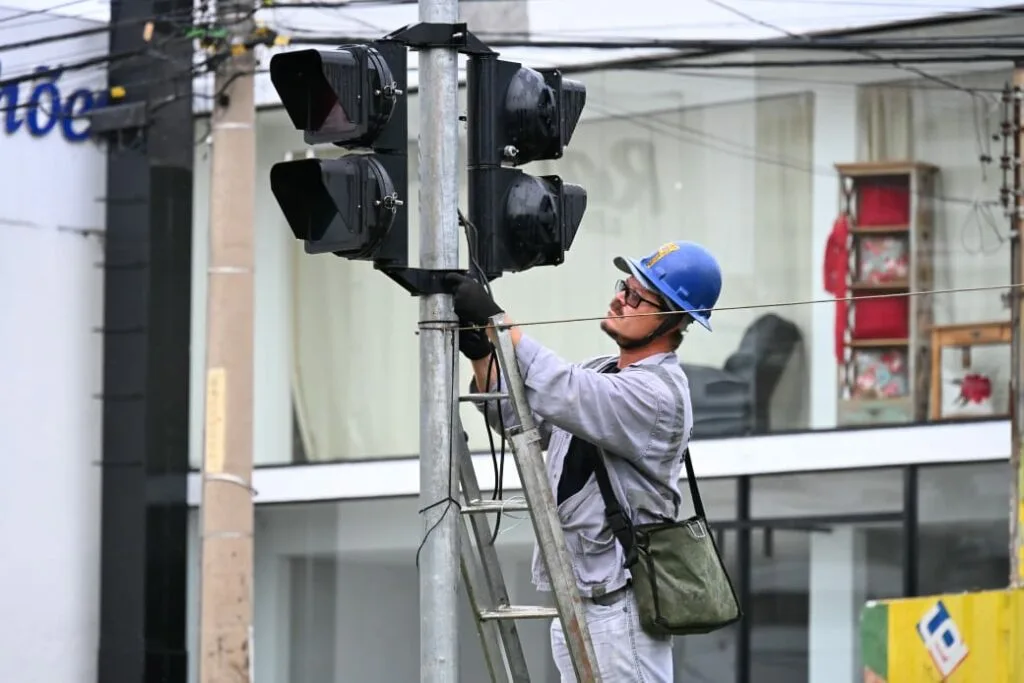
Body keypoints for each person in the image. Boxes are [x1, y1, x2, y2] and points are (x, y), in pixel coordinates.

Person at [445, 240, 724, 683]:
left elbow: (564, 389)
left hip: (621, 610)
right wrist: (483, 353)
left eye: (636, 296)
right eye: (623, 287)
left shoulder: (659, 395)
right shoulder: (603, 371)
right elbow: (518, 415)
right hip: (578, 602)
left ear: (671, 318)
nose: (619, 298)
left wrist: (500, 323)